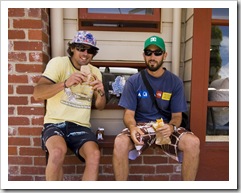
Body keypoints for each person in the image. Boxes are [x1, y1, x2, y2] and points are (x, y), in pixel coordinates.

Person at [112, 35, 200, 181]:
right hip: (141, 127)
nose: (152, 56)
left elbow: (177, 116)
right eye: (148, 52)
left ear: (164, 55)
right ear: (144, 55)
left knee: (193, 142)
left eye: (157, 53)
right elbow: (128, 114)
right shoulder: (134, 81)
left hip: (165, 127)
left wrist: (171, 127)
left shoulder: (174, 82)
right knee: (120, 142)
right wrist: (133, 128)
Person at [33, 31, 106, 181]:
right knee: (58, 152)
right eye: (81, 48)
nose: (85, 53)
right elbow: (38, 93)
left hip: (81, 126)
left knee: (94, 155)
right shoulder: (59, 63)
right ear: (72, 48)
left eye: (90, 50)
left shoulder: (95, 72)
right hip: (55, 123)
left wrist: (101, 92)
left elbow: (100, 106)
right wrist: (65, 83)